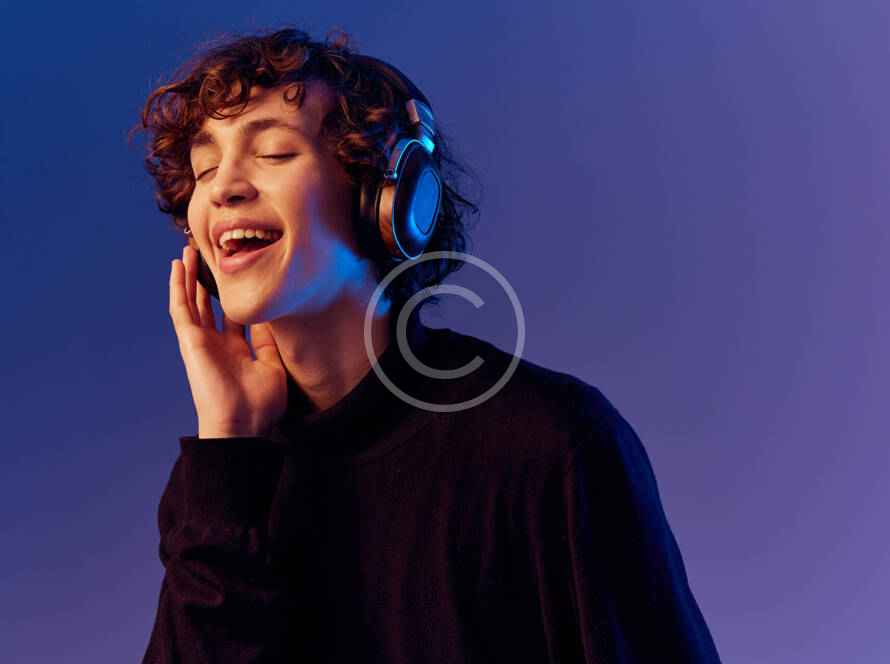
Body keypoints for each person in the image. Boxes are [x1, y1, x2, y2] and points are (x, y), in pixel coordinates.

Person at [133, 26, 722, 663]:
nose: (223, 188)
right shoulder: (223, 481)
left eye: (273, 153)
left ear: (389, 198)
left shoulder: (551, 444)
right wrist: (226, 452)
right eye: (205, 168)